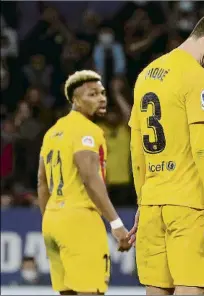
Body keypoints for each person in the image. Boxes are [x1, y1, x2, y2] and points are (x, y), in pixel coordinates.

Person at [127, 11, 204, 295]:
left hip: (153, 205)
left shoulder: (146, 74)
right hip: (190, 207)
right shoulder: (197, 78)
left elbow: (136, 149)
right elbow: (202, 147)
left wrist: (142, 202)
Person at [37, 70, 131, 295]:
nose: (102, 98)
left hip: (53, 220)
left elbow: (42, 181)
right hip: (80, 221)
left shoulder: (53, 131)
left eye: (102, 92)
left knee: (68, 292)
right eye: (92, 94)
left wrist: (50, 218)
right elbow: (89, 176)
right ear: (75, 100)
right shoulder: (87, 130)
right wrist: (116, 224)